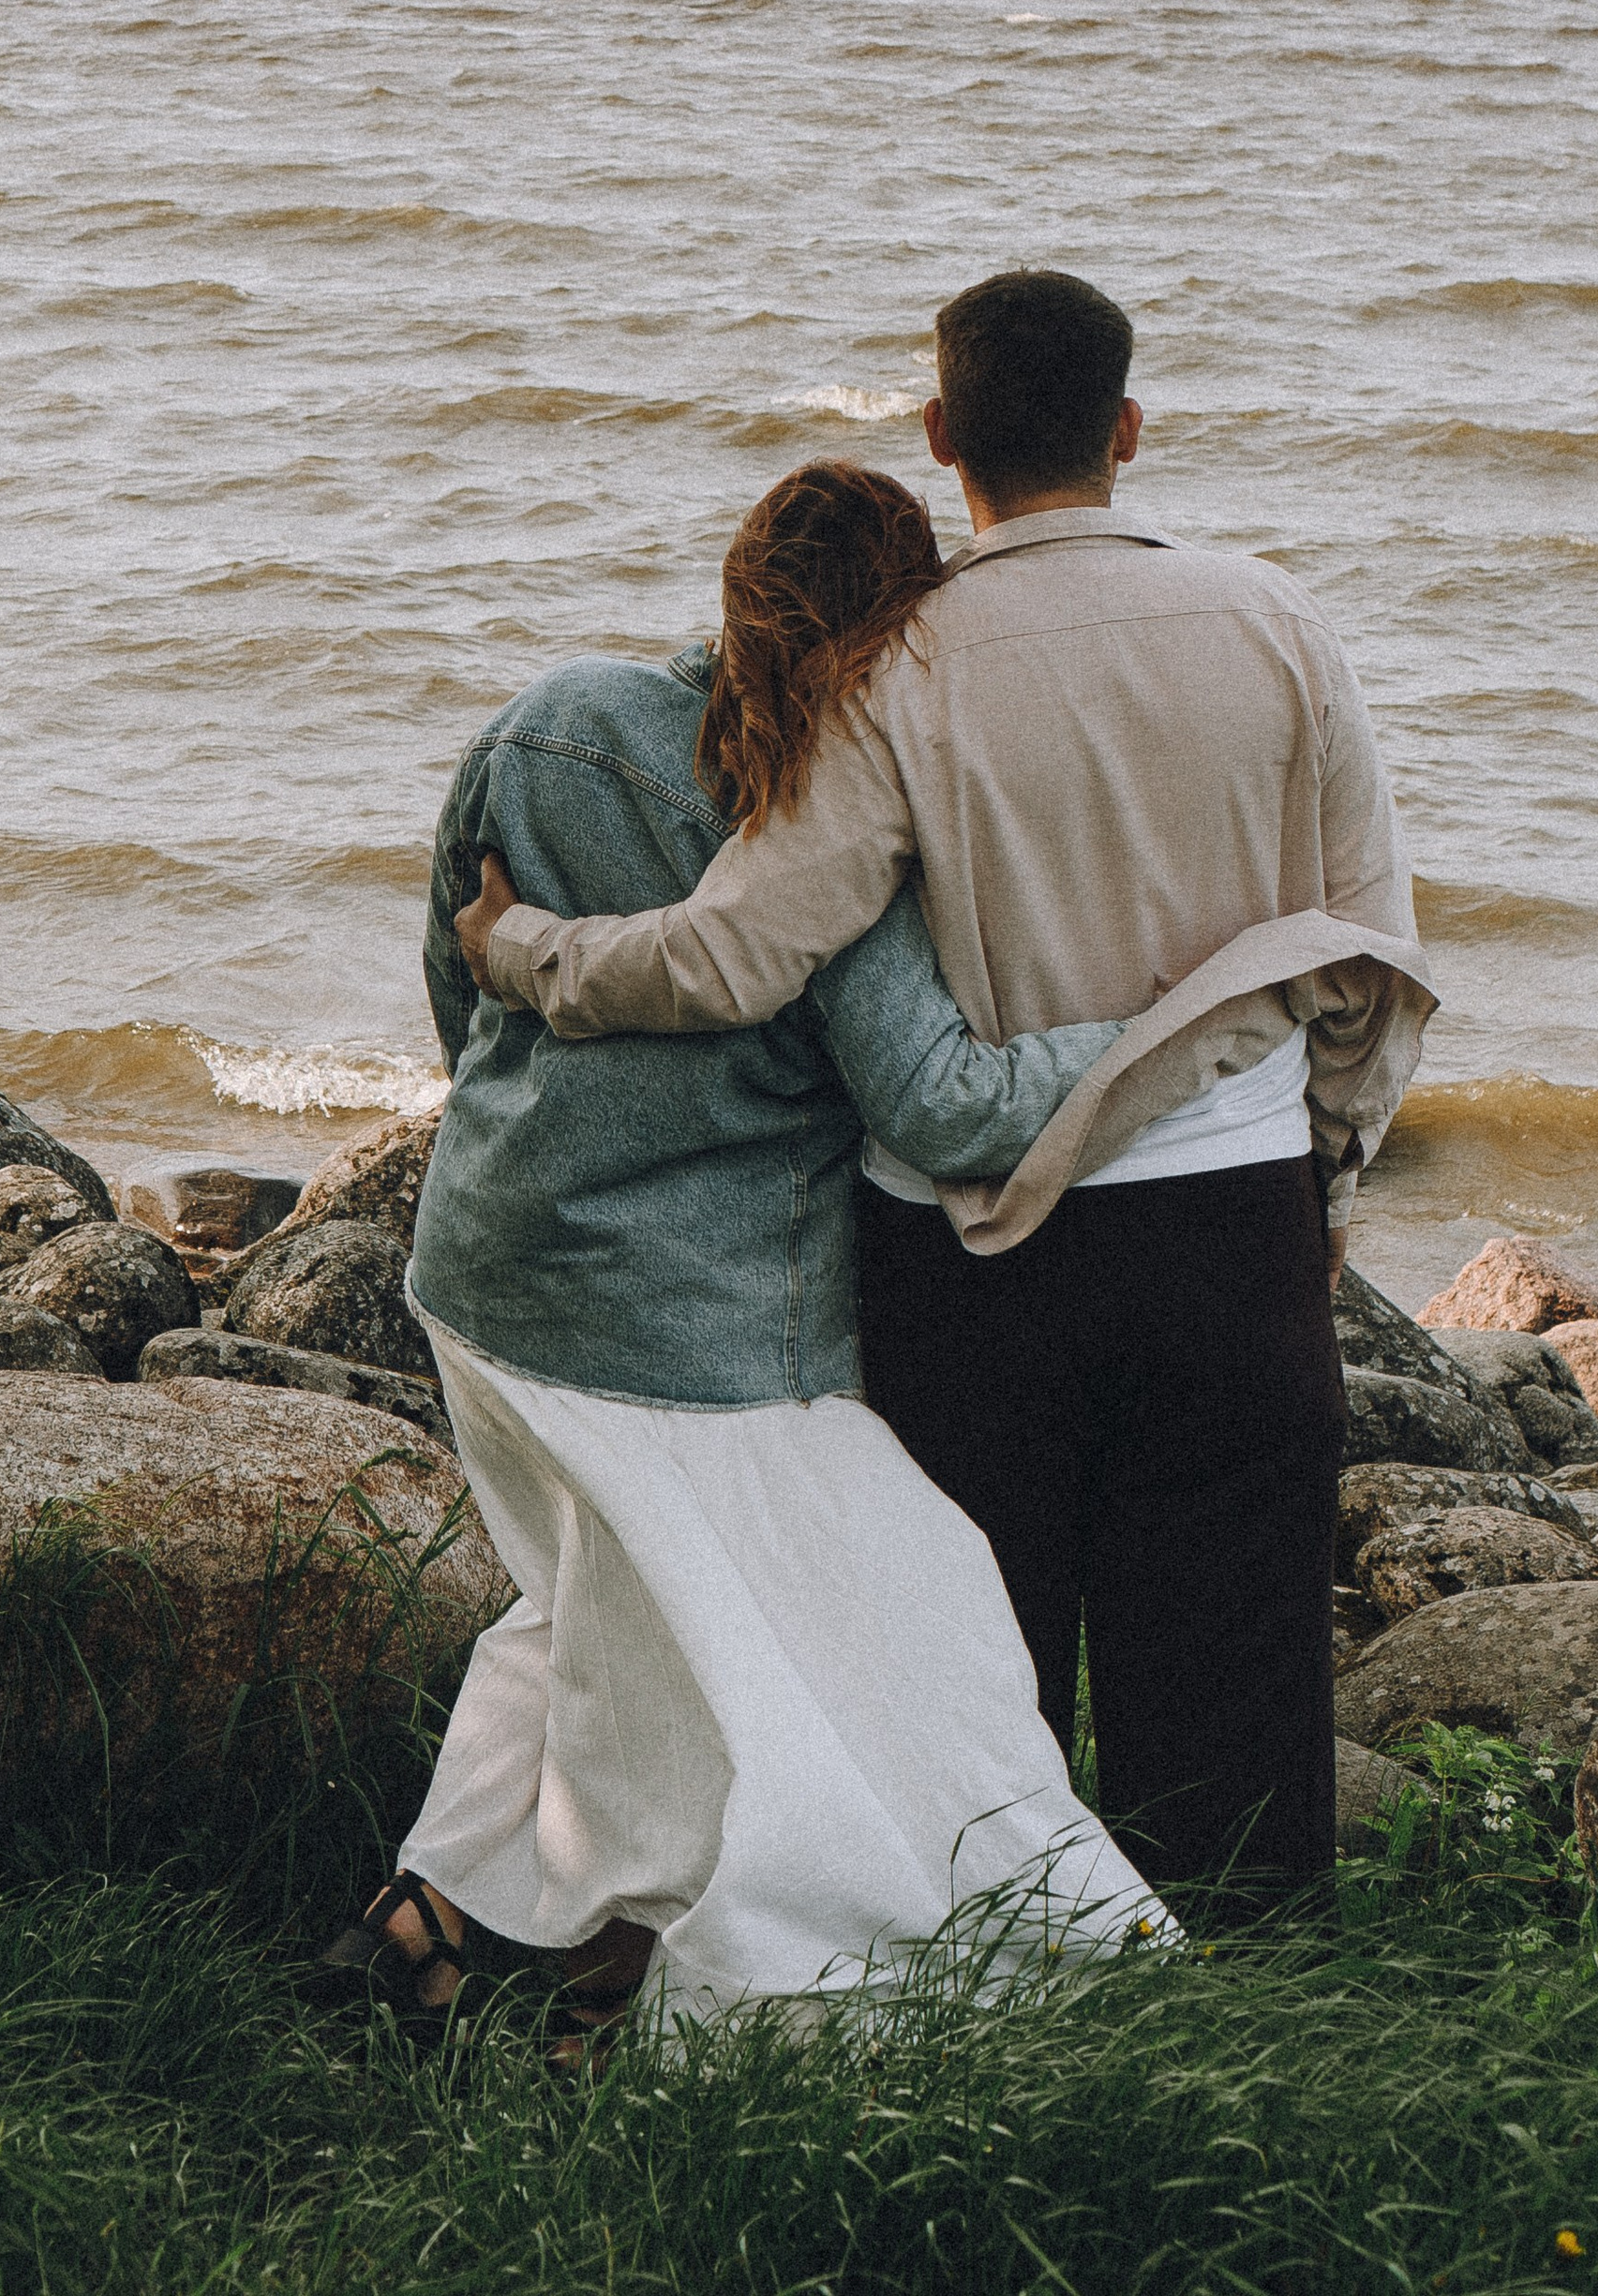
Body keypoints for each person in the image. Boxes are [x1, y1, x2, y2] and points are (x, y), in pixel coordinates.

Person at [458, 274, 1435, 1922]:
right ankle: (1256, 2032)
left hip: (977, 1267)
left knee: (979, 1685)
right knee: (1238, 1682)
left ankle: (1002, 2000)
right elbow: (1368, 961)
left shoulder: (896, 670)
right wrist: (1324, 1187)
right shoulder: (1277, 623)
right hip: (1230, 1231)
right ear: (1127, 430)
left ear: (939, 437)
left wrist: (523, 950)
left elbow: (733, 957)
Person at [322, 460, 1274, 2056]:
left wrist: (532, 1146)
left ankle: (436, 1933)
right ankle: (774, 1982)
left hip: (484, 1270)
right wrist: (1181, 1025)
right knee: (904, 1616)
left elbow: (455, 963)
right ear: (911, 633)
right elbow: (947, 1106)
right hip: (697, 1334)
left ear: (733, 587)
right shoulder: (836, 827)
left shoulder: (552, 719)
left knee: (593, 1613)